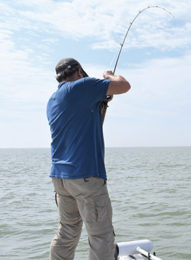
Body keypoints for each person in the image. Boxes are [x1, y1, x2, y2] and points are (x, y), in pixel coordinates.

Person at [47, 58, 130, 260]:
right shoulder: (82, 86)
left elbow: (92, 127)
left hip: (61, 179)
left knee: (67, 232)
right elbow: (124, 86)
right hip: (85, 176)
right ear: (78, 73)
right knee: (101, 236)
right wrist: (108, 76)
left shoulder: (54, 99)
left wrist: (102, 104)